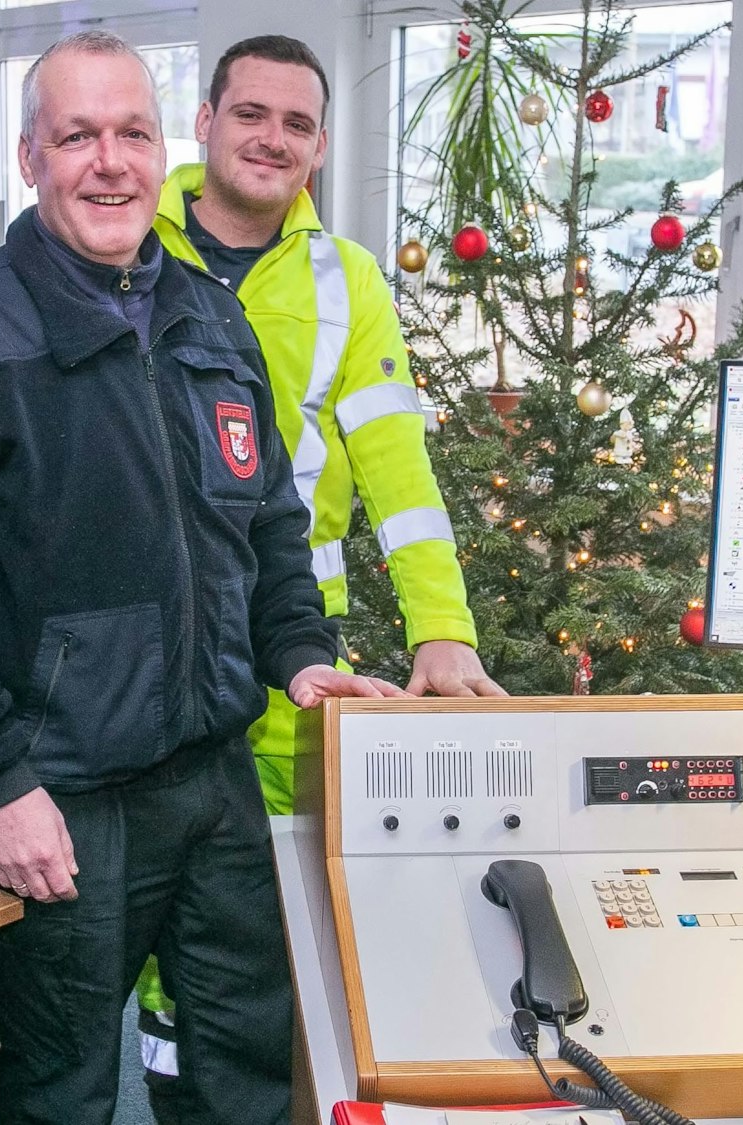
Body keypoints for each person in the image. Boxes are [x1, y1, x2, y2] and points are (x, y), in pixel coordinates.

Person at [0, 30, 405, 1125]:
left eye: (130, 134)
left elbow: (268, 527)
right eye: (76, 137)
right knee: (65, 1089)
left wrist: (298, 654)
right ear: (29, 158)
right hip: (58, 790)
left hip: (211, 784)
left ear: (165, 151)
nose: (108, 162)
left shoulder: (211, 319)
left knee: (240, 1070)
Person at [135, 34, 507, 1113]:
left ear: (320, 148)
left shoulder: (346, 284)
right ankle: (162, 1086)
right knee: (159, 914)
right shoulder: (124, 249)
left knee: (270, 907)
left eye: (296, 125)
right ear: (202, 124)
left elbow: (400, 473)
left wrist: (442, 626)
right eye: (250, 114)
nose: (271, 139)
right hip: (151, 653)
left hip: (297, 654)